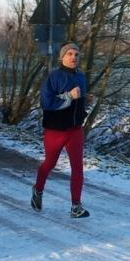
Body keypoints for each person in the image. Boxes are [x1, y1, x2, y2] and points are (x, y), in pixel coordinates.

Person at [31, 42, 91, 218]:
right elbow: (46, 103)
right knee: (50, 163)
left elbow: (78, 101)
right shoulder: (53, 77)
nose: (73, 57)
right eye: (69, 54)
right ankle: (38, 190)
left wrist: (85, 102)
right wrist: (69, 96)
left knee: (78, 168)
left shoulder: (81, 77)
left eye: (76, 54)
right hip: (55, 130)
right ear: (62, 57)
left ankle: (76, 206)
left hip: (75, 130)